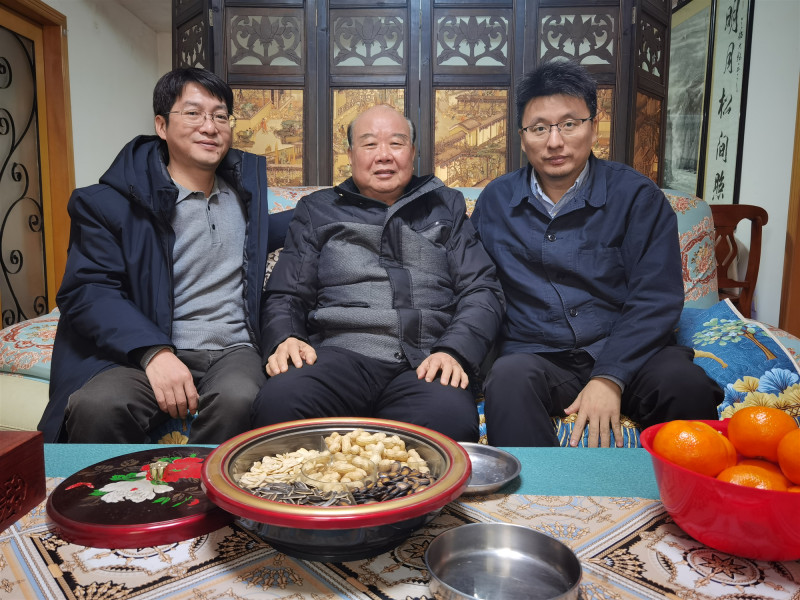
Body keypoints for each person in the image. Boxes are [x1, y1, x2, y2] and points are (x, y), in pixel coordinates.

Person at [471, 60, 722, 448]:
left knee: (684, 384)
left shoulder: (637, 197)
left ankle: (687, 487)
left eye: (569, 124)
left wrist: (609, 376)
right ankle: (539, 489)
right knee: (508, 380)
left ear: (593, 125)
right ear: (522, 137)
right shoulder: (496, 201)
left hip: (632, 351)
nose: (555, 141)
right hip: (539, 355)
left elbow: (655, 297)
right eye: (539, 128)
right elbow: (476, 287)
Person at [38, 68, 292, 443]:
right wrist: (153, 353)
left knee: (240, 399)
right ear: (161, 125)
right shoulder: (108, 204)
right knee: (98, 406)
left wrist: (351, 198)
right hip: (147, 348)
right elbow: (89, 290)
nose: (210, 127)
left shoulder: (245, 196)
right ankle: (117, 486)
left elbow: (289, 225)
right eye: (193, 113)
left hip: (233, 350)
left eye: (220, 116)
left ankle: (203, 483)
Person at [251, 104, 505, 442]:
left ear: (413, 152)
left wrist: (454, 350)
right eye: (370, 144)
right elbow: (287, 293)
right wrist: (286, 337)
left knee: (449, 419)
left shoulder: (446, 206)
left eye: (396, 143)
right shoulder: (317, 210)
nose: (383, 155)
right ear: (350, 154)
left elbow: (482, 290)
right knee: (281, 401)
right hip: (337, 356)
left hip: (425, 360)